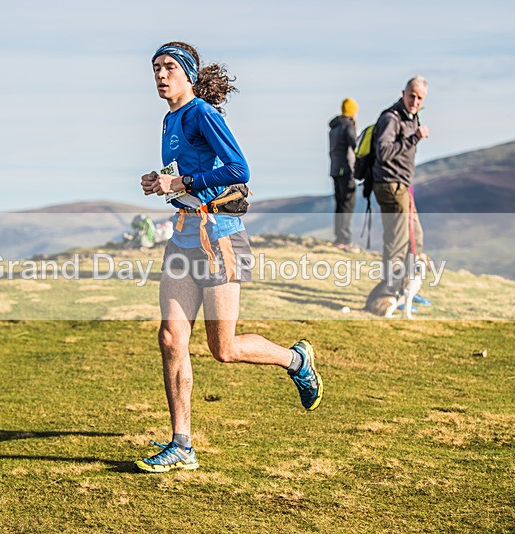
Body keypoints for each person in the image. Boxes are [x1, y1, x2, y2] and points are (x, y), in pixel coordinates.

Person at [136, 42, 323, 473]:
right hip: (183, 235)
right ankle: (181, 444)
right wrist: (160, 181)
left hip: (219, 239)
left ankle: (296, 360)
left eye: (169, 67)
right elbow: (187, 178)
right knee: (170, 338)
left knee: (224, 348)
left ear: (187, 74)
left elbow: (239, 169)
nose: (161, 75)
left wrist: (182, 178)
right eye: (155, 68)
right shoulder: (169, 119)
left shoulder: (202, 113)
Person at [369, 76, 432, 305]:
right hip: (390, 185)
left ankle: (407, 289)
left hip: (403, 185)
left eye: (420, 98)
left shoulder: (412, 117)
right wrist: (414, 138)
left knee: (416, 238)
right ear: (403, 93)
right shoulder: (391, 118)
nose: (415, 101)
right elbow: (384, 151)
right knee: (398, 241)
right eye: (412, 95)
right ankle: (387, 293)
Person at [328, 98, 360, 253]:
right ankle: (345, 240)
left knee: (340, 204)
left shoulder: (334, 126)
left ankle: (339, 238)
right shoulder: (348, 125)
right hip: (345, 169)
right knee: (348, 203)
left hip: (335, 169)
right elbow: (355, 145)